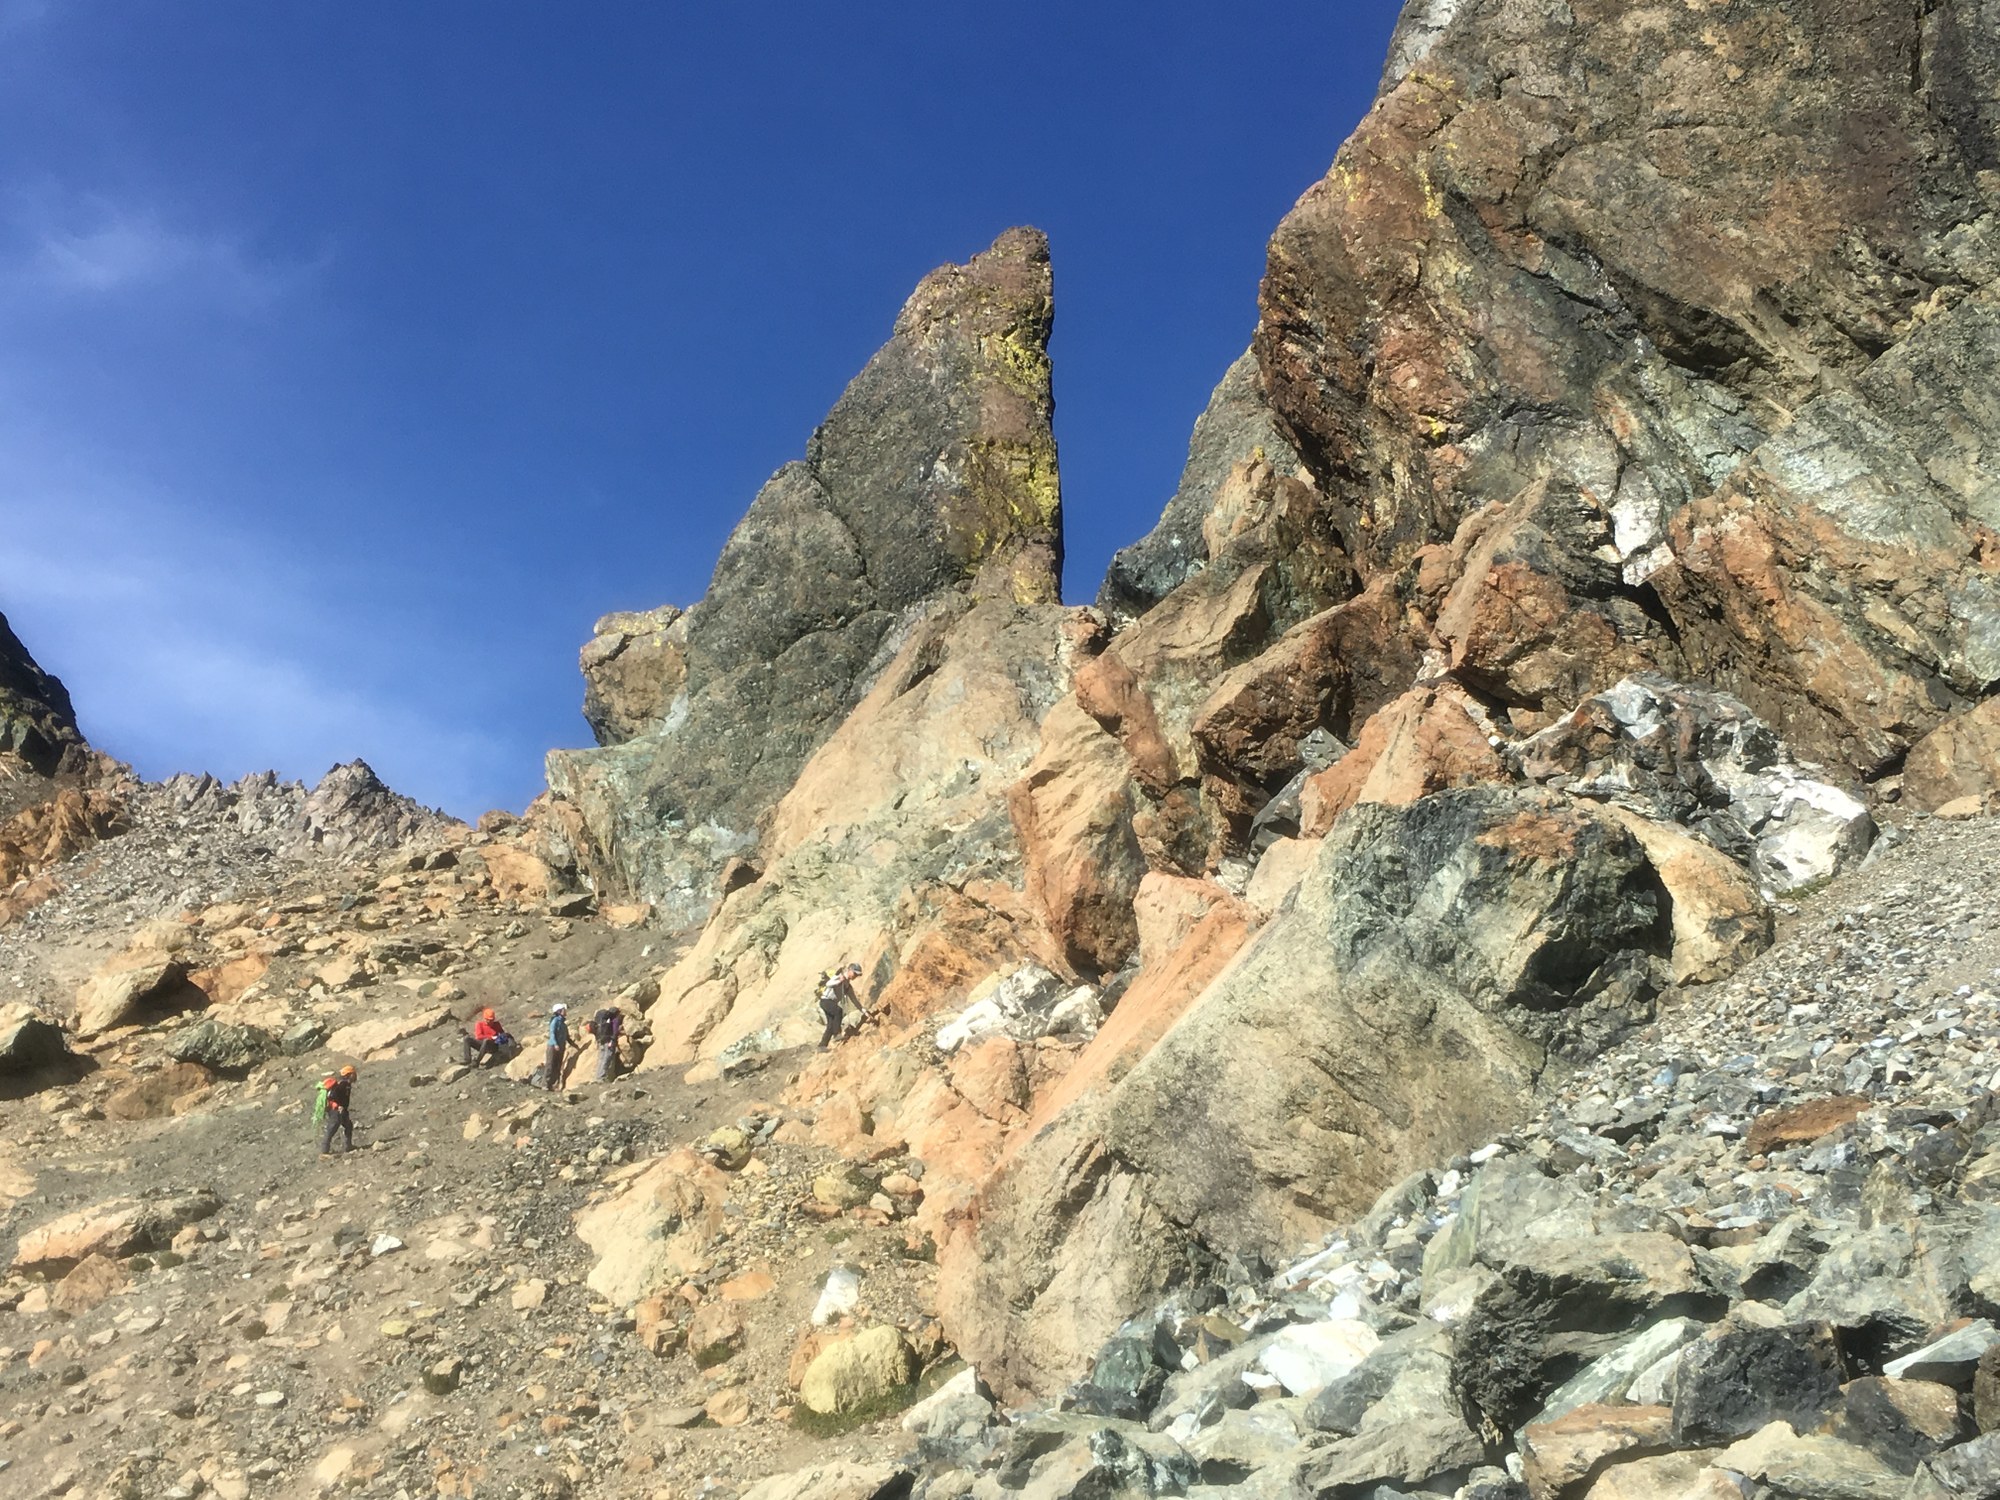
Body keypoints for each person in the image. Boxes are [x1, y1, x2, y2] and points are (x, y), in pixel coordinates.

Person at [816, 962, 866, 1051]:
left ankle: (822, 1045)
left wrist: (863, 1010)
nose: (855, 976)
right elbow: (828, 984)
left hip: (830, 1002)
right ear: (850, 970)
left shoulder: (848, 986)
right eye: (855, 973)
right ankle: (836, 1034)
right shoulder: (839, 976)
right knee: (838, 1010)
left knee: (831, 1024)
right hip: (825, 1000)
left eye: (857, 975)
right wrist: (839, 980)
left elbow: (854, 999)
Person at [318, 1065, 358, 1155]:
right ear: (349, 1074)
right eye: (353, 1074)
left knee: (348, 1125)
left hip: (342, 1109)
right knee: (332, 1127)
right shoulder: (342, 1084)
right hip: (336, 1109)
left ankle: (348, 1146)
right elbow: (332, 1096)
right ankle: (324, 1150)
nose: (355, 1076)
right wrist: (338, 1106)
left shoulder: (346, 1084)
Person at [589, 1003, 623, 1081]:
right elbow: (615, 1031)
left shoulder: (605, 1020)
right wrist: (613, 1041)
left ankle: (598, 1076)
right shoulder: (615, 1020)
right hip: (609, 1041)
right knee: (606, 1057)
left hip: (600, 1039)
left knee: (601, 1058)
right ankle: (601, 1077)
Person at [544, 1003, 571, 1092]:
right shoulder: (555, 1021)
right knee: (550, 1064)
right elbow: (552, 1033)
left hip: (561, 1047)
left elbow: (567, 1037)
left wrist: (576, 1046)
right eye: (564, 1010)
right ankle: (545, 1084)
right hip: (553, 1046)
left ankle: (554, 1085)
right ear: (559, 1011)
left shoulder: (564, 1025)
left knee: (557, 1066)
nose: (565, 1011)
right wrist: (555, 1044)